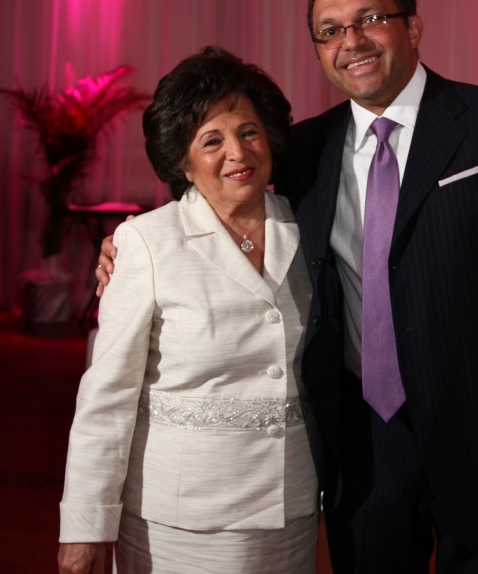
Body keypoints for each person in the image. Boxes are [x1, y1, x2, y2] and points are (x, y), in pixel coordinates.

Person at [98, 0, 478, 573]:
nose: (352, 41)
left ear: (412, 27)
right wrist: (133, 246)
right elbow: (225, 192)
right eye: (330, 31)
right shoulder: (306, 149)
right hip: (363, 443)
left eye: (370, 19)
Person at [59, 46, 320, 574]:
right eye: (212, 140)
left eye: (249, 132)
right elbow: (107, 397)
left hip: (291, 509)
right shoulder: (146, 243)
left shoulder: (311, 226)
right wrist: (85, 528)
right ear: (182, 160)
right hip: (180, 520)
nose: (237, 152)